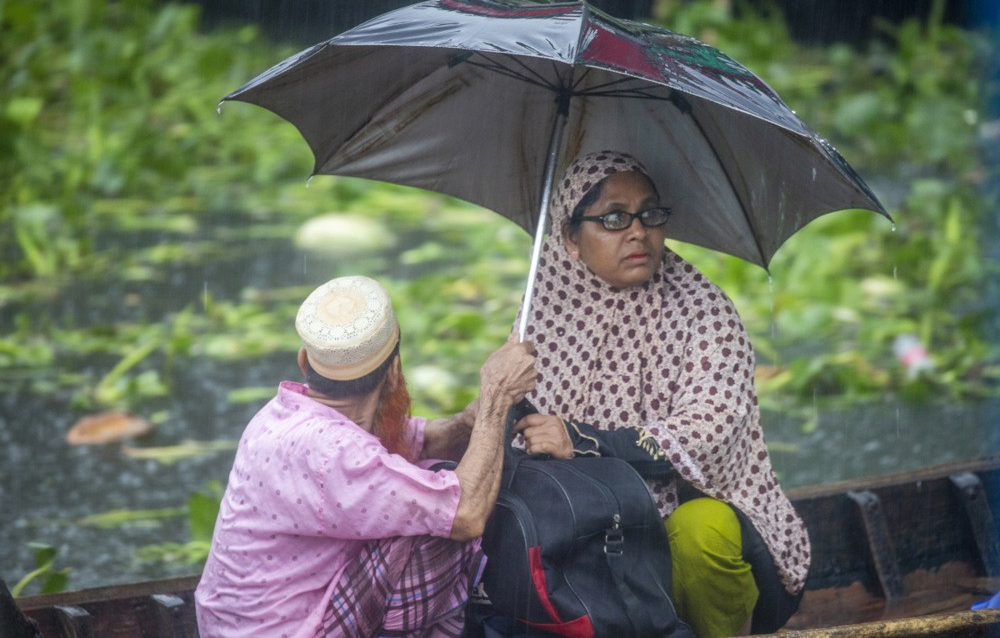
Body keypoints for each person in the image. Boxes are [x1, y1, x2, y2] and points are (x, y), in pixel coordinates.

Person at [512, 151, 810, 637]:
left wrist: (586, 441)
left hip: (693, 551)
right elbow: (520, 435)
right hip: (594, 537)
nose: (638, 232)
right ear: (569, 238)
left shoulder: (703, 311)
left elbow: (707, 433)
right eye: (614, 218)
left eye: (650, 214)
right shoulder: (541, 308)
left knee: (702, 531)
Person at [195, 275, 536, 637]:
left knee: (428, 478)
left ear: (303, 363)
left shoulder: (282, 415)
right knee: (439, 531)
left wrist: (471, 420)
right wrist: (497, 399)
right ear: (393, 373)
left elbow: (410, 442)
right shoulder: (334, 452)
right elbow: (465, 514)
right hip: (289, 631)